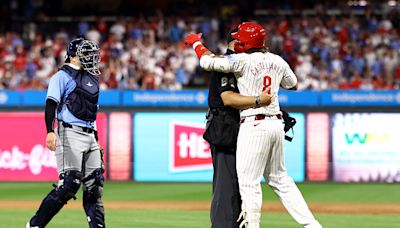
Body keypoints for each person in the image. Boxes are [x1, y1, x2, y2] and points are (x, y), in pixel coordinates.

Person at [184, 22, 322, 228]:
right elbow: (293, 84)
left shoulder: (240, 61)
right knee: (281, 180)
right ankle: (312, 225)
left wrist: (196, 43)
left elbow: (206, 62)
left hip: (254, 124)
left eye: (240, 38)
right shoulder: (277, 60)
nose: (237, 41)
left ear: (245, 42)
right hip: (275, 123)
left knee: (249, 183)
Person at [26, 38, 106, 228]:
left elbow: (90, 111)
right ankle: (35, 225)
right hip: (69, 132)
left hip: (89, 134)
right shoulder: (61, 76)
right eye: (85, 53)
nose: (90, 57)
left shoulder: (92, 76)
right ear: (72, 55)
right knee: (70, 183)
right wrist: (49, 131)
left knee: (95, 186)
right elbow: (51, 104)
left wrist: (95, 138)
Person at [203, 28, 273, 228]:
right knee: (227, 186)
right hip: (225, 130)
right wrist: (260, 100)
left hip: (243, 129)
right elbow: (228, 98)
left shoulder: (241, 63)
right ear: (235, 43)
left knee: (244, 186)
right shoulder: (227, 63)